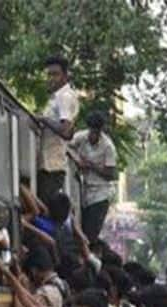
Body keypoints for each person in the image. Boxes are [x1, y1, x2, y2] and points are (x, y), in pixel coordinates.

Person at [37, 56, 79, 206]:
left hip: (52, 167)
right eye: (48, 74)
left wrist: (43, 120)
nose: (50, 79)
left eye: (55, 74)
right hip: (48, 164)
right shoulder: (55, 98)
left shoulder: (65, 97)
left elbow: (66, 132)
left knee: (45, 210)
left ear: (65, 76)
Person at [69, 112, 118, 241]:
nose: (92, 135)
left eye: (96, 132)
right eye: (91, 131)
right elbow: (67, 147)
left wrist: (91, 166)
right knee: (78, 228)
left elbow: (111, 174)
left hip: (100, 194)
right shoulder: (81, 137)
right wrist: (77, 160)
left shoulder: (108, 147)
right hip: (82, 189)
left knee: (90, 233)